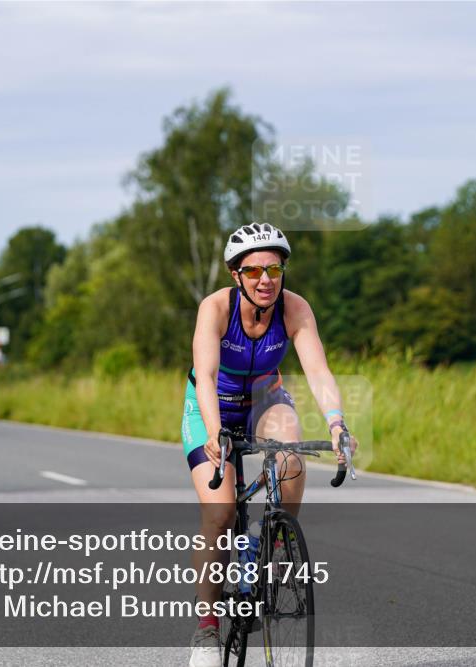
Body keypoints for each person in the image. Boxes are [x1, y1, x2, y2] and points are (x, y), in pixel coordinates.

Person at [182, 222, 358, 667]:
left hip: (265, 396)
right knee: (219, 513)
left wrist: (337, 424)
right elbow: (204, 375)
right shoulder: (216, 308)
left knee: (292, 455)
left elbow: (317, 372)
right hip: (211, 402)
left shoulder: (295, 308)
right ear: (235, 275)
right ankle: (206, 630)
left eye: (275, 269)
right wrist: (215, 430)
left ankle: (273, 544)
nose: (266, 280)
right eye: (255, 270)